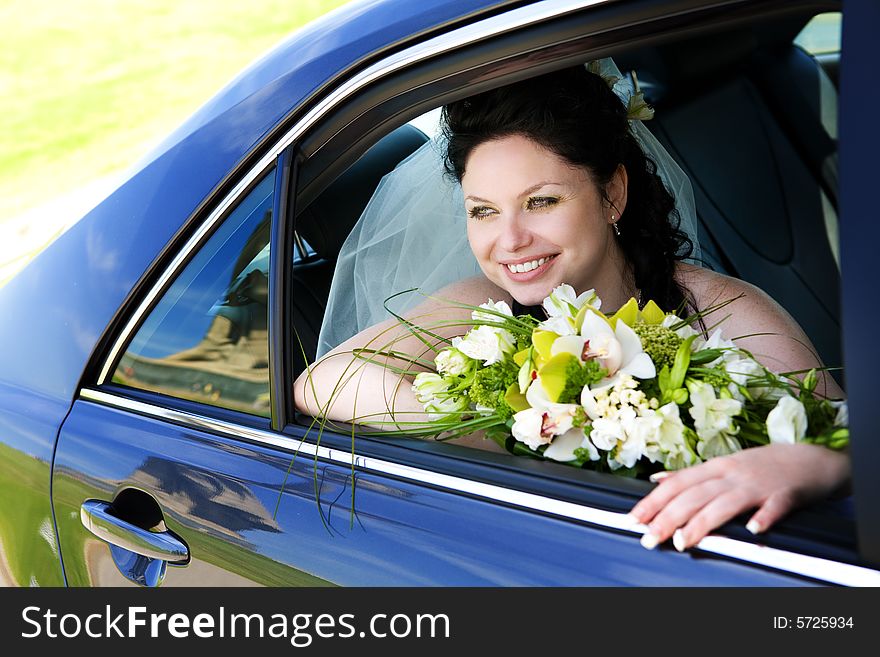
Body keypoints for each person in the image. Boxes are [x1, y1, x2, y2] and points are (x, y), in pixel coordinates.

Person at [294, 62, 850, 553]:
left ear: (613, 195)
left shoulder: (720, 310)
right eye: (484, 211)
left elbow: (845, 436)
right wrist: (510, 435)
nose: (509, 241)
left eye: (541, 202)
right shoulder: (485, 305)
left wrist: (821, 465)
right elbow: (324, 382)